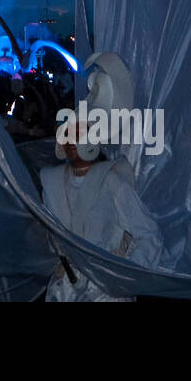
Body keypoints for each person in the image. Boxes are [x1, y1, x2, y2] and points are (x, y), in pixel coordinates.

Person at [39, 115, 161, 302]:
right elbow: (45, 238)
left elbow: (149, 234)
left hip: (103, 291)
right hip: (63, 290)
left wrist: (123, 275)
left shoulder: (111, 183)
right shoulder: (52, 183)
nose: (71, 141)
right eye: (67, 134)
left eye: (78, 135)